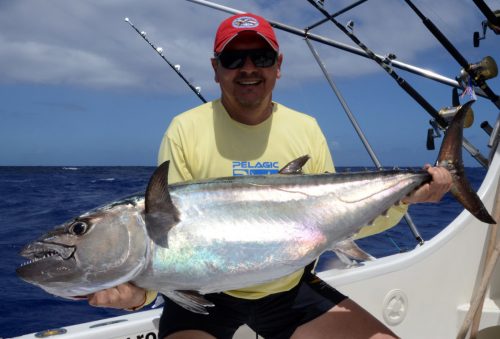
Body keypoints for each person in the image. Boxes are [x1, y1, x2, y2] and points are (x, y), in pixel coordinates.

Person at [88, 12, 452, 339]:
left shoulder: (305, 128)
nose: (248, 68)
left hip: (288, 289)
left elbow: (337, 223)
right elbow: (167, 239)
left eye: (260, 57)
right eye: (233, 59)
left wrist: (405, 199)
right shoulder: (184, 130)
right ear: (216, 69)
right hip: (206, 298)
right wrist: (141, 294)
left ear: (278, 66)